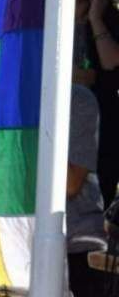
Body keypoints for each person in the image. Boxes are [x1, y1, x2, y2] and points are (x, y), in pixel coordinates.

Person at [74, 0, 119, 207]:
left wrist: (95, 18)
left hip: (101, 130)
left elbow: (111, 63)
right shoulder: (45, 18)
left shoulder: (110, 19)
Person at [66, 84, 108, 297]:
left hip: (78, 247)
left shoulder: (77, 99)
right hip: (17, 245)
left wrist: (33, 120)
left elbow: (70, 185)